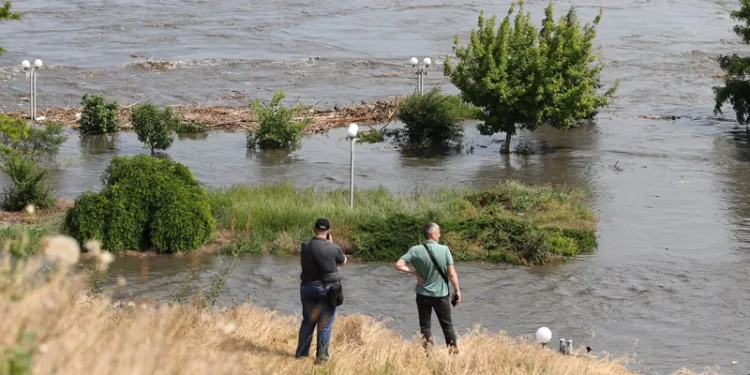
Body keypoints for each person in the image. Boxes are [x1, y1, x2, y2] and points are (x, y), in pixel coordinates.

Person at [394, 222, 461, 353]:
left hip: (422, 295)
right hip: (441, 296)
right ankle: (453, 355)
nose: (440, 235)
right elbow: (451, 273)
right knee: (447, 326)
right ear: (433, 234)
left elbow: (398, 265)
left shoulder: (415, 250)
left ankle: (429, 355)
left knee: (425, 327)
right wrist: (457, 290)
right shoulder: (444, 249)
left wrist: (414, 272)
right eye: (439, 232)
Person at [295, 218, 347, 364]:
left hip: (306, 288)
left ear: (314, 229)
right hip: (326, 289)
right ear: (329, 231)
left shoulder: (305, 245)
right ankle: (322, 359)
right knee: (324, 325)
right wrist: (330, 244)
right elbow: (343, 261)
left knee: (307, 322)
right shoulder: (332, 248)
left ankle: (301, 355)